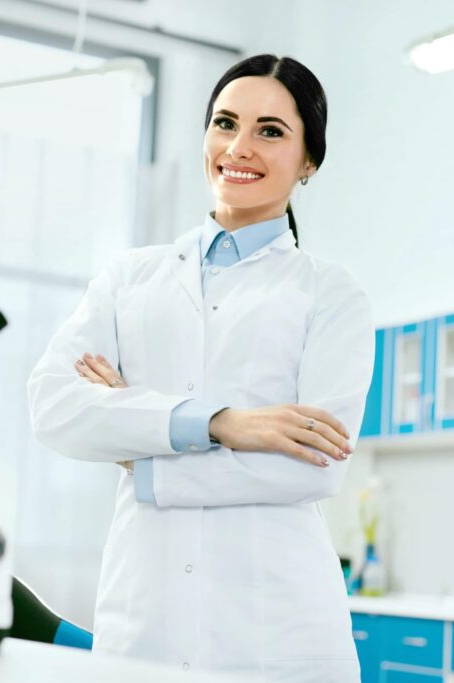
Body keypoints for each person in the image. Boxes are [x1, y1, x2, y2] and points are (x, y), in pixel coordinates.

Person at [27, 54, 374, 683]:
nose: (239, 146)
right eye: (225, 123)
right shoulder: (129, 277)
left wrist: (140, 448)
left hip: (277, 630)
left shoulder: (330, 293)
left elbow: (317, 464)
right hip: (143, 619)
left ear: (309, 162)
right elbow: (55, 408)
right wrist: (220, 424)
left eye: (271, 131)